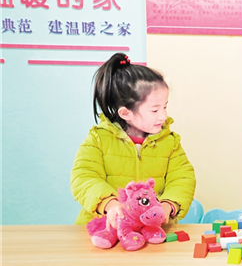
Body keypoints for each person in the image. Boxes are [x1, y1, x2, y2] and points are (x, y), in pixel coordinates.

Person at [71, 52, 196, 247]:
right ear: (126, 113)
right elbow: (84, 177)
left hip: (152, 232)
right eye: (155, 110)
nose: (163, 116)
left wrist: (167, 206)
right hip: (104, 230)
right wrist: (110, 204)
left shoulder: (170, 142)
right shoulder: (98, 139)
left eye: (165, 106)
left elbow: (182, 178)